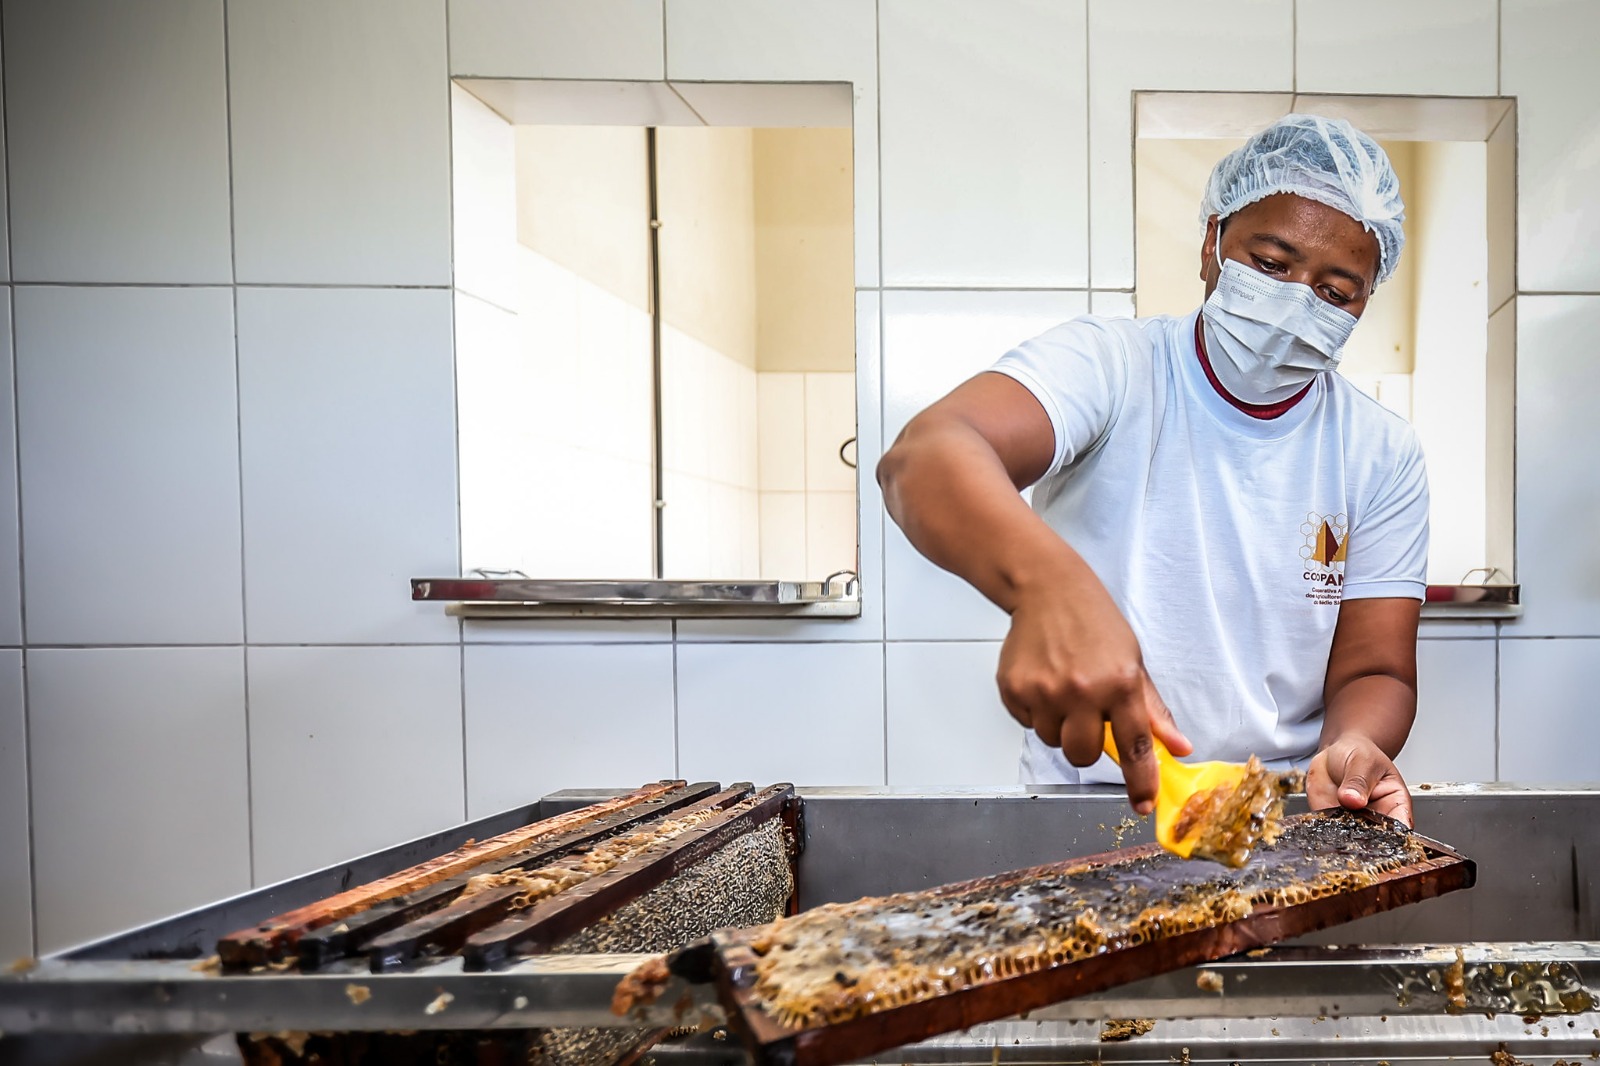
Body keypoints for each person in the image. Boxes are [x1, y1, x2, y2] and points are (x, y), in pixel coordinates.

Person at [878, 114, 1426, 827]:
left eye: (1335, 291)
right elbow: (927, 455)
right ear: (1212, 241)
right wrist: (1050, 591)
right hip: (1091, 803)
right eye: (1271, 263)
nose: (1296, 301)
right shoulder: (1115, 368)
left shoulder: (1379, 450)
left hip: (1281, 815)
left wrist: (1354, 746)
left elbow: (1373, 669)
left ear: (1364, 302)